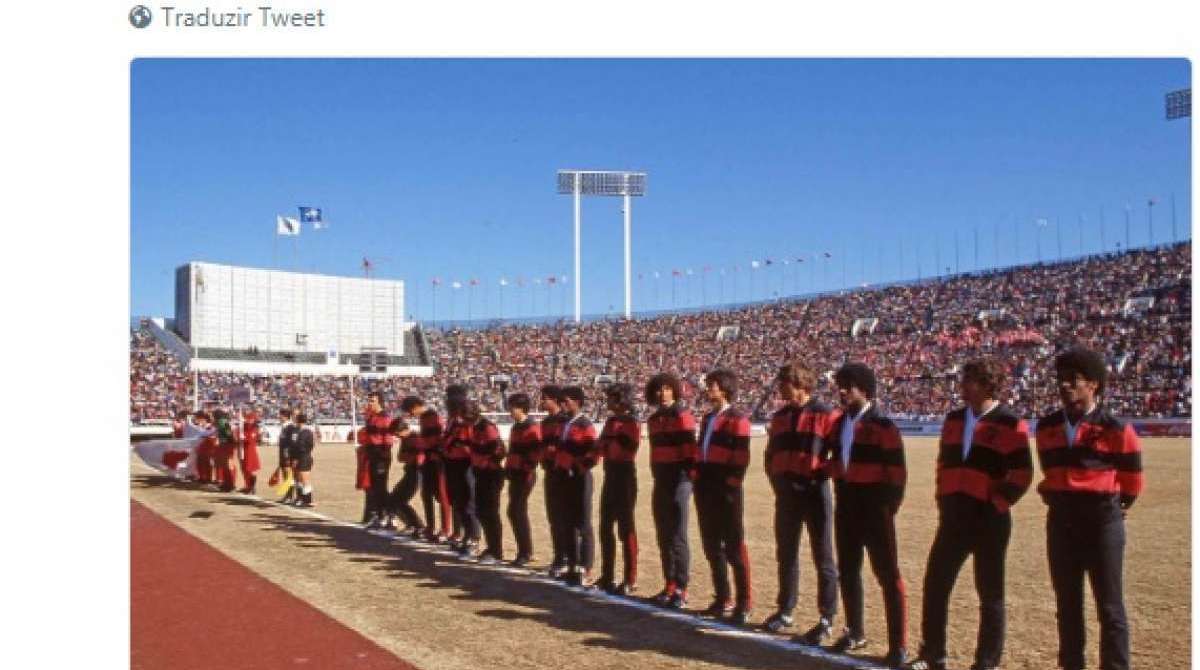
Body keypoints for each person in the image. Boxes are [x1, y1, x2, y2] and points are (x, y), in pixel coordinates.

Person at [905, 359, 1033, 670]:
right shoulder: (953, 419)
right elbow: (943, 464)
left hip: (989, 521)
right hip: (954, 518)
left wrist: (995, 504)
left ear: (988, 384)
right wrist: (943, 499)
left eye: (970, 380)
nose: (962, 386)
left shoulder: (1009, 423)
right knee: (936, 585)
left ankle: (986, 662)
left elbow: (1022, 473)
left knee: (990, 594)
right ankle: (933, 654)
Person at [1035, 348, 1142, 670]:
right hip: (1061, 523)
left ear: (1093, 384)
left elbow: (1132, 481)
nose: (1064, 385)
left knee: (1110, 607)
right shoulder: (1047, 427)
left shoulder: (1116, 428)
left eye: (1074, 379)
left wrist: (1111, 507)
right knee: (1067, 606)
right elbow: (1050, 471)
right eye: (1061, 379)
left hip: (1102, 523)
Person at [826, 362, 908, 667]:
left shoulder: (884, 427)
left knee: (887, 575)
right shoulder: (839, 424)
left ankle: (898, 644)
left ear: (865, 389)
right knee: (848, 571)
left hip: (875, 510)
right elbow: (835, 461)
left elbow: (897, 474)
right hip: (846, 506)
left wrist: (887, 508)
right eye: (840, 386)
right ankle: (855, 631)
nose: (842, 392)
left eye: (848, 386)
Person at [762, 363, 839, 643]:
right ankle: (785, 609)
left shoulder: (826, 414)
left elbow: (838, 455)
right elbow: (770, 455)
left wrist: (818, 474)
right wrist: (778, 481)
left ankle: (827, 617)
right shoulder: (780, 417)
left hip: (815, 494)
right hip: (786, 496)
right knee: (786, 554)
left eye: (784, 384)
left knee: (823, 556)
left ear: (799, 384)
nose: (780, 389)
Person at [694, 369, 753, 625]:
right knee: (711, 545)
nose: (709, 389)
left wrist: (730, 484)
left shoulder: (738, 419)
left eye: (713, 385)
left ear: (725, 389)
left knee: (734, 547)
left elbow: (741, 457)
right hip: (705, 488)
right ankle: (722, 597)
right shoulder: (708, 418)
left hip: (726, 491)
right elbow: (701, 449)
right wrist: (697, 477)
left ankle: (744, 602)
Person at [645, 372, 698, 609]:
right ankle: (669, 583)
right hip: (661, 481)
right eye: (658, 389)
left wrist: (686, 480)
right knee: (663, 535)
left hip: (680, 482)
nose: (662, 393)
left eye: (667, 389)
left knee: (677, 535)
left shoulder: (682, 415)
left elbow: (690, 452)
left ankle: (681, 588)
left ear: (675, 391)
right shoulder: (654, 419)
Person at [595, 383, 641, 595]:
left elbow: (627, 447)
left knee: (625, 528)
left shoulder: (631, 422)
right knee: (605, 527)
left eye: (612, 398)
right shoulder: (612, 421)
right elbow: (601, 446)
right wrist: (607, 443)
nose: (608, 402)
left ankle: (630, 578)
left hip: (624, 475)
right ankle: (607, 575)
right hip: (611, 473)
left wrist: (608, 442)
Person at [553, 385, 599, 586]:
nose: (563, 404)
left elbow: (593, 453)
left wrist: (577, 468)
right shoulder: (564, 423)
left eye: (566, 401)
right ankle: (572, 564)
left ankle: (586, 568)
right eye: (561, 401)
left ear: (577, 402)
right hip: (564, 477)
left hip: (579, 478)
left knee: (583, 523)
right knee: (568, 522)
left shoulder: (585, 424)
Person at [404, 396, 452, 543]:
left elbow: (436, 440)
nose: (410, 414)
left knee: (442, 496)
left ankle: (445, 530)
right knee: (426, 494)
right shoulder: (425, 417)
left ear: (416, 406)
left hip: (436, 460)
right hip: (428, 460)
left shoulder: (432, 417)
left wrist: (417, 443)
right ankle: (430, 527)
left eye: (410, 411)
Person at [504, 392, 542, 567]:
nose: (510, 411)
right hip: (515, 473)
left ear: (521, 408)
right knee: (515, 511)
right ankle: (526, 551)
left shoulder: (531, 427)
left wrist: (524, 469)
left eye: (512, 407)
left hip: (524, 475)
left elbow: (534, 454)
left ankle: (525, 552)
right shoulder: (516, 427)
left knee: (517, 511)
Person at [467, 400, 506, 562]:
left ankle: (496, 551)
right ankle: (491, 547)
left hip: (491, 474)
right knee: (482, 511)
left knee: (490, 513)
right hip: (481, 473)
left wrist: (484, 461)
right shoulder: (476, 427)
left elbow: (499, 450)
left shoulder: (487, 427)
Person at [443, 385, 481, 554]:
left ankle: (474, 538)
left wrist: (456, 445)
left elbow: (471, 444)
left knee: (469, 502)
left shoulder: (467, 420)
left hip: (466, 464)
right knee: (458, 502)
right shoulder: (452, 420)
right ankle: (466, 535)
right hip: (452, 463)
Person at [539, 385, 569, 576]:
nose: (541, 401)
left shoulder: (565, 421)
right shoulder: (545, 422)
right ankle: (559, 556)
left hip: (563, 474)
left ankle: (568, 558)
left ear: (555, 400)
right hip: (550, 473)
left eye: (544, 398)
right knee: (553, 517)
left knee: (565, 517)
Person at [360, 391, 394, 529]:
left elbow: (388, 439)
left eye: (372, 401)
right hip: (372, 454)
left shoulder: (384, 417)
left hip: (380, 455)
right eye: (369, 400)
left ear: (380, 402)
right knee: (375, 487)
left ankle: (388, 515)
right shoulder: (371, 417)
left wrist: (383, 457)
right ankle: (380, 516)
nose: (369, 403)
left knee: (380, 487)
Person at [389, 413, 424, 536]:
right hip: (409, 472)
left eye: (396, 433)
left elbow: (418, 459)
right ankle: (412, 524)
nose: (396, 436)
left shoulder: (416, 438)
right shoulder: (405, 440)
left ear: (403, 430)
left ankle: (417, 526)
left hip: (417, 473)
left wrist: (408, 457)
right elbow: (400, 458)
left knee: (400, 499)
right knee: (394, 498)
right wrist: (409, 457)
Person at [291, 412, 316, 507]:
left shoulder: (305, 432)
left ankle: (308, 500)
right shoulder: (303, 431)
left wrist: (297, 458)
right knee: (300, 479)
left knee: (304, 479)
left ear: (298, 420)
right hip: (303, 457)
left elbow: (304, 446)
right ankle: (301, 499)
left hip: (304, 457)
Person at [237, 409, 263, 494]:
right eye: (248, 419)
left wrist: (243, 437)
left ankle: (252, 485)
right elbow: (237, 434)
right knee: (243, 468)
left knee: (249, 469)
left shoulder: (255, 428)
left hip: (250, 451)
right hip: (242, 449)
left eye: (251, 419)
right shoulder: (243, 426)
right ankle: (247, 485)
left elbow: (251, 439)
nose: (249, 421)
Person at [276, 408, 298, 504]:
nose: (278, 417)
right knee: (286, 476)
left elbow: (290, 443)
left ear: (285, 416)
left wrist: (287, 456)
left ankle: (290, 496)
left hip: (287, 456)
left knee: (288, 476)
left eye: (280, 415)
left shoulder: (290, 427)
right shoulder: (284, 427)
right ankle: (287, 495)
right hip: (283, 455)